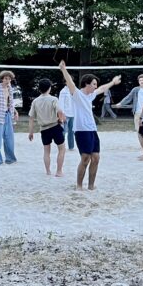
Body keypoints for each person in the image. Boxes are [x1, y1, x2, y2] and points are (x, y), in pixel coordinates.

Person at [58, 60, 121, 191]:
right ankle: (79, 185)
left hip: (92, 129)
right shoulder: (77, 94)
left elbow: (102, 88)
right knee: (85, 158)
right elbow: (70, 82)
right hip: (81, 130)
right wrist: (64, 69)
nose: (95, 86)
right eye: (93, 84)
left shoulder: (90, 95)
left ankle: (91, 185)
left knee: (96, 157)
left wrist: (113, 82)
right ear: (86, 84)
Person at [27, 78, 67, 176]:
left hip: (44, 129)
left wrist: (31, 132)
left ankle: (48, 171)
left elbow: (31, 117)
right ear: (49, 88)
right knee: (62, 149)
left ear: (39, 89)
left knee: (46, 151)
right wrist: (61, 120)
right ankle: (59, 171)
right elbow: (60, 111)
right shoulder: (53, 99)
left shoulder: (35, 101)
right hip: (55, 127)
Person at [114, 74, 143, 141]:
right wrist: (121, 103)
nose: (141, 81)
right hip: (138, 112)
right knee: (138, 130)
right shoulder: (136, 90)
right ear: (138, 81)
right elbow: (128, 97)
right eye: (140, 80)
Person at [58, 80, 76, 151]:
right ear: (66, 82)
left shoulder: (74, 90)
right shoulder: (63, 91)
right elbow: (61, 104)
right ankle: (61, 146)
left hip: (73, 114)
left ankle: (71, 147)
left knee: (72, 131)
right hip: (66, 114)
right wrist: (62, 115)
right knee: (64, 131)